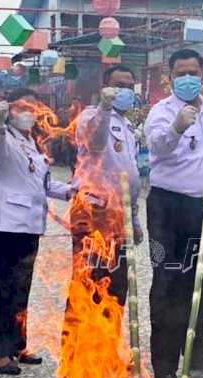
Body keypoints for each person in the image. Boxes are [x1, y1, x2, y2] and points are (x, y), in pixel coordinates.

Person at [143, 48, 203, 378]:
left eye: (193, 72)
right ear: (169, 77)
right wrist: (175, 128)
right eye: (181, 73)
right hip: (169, 208)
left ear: (202, 74)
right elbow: (157, 147)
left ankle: (198, 353)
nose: (188, 78)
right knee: (169, 283)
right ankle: (165, 365)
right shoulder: (161, 111)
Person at [0, 89, 73, 375]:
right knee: (0, 289)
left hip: (28, 225)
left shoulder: (32, 143)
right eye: (21, 107)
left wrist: (72, 191)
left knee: (20, 290)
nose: (28, 113)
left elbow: (43, 183)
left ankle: (17, 344)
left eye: (32, 106)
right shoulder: (2, 139)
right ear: (10, 110)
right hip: (0, 225)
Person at [69, 64, 142, 307]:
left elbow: (131, 178)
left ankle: (108, 342)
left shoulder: (128, 126)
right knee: (90, 280)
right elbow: (97, 142)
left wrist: (135, 219)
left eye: (130, 87)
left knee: (117, 284)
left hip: (120, 215)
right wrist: (105, 107)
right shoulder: (91, 116)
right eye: (119, 86)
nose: (125, 91)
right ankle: (79, 344)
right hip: (94, 212)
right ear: (105, 88)